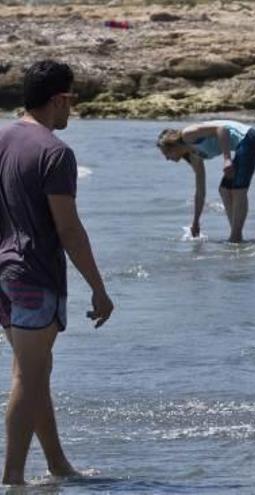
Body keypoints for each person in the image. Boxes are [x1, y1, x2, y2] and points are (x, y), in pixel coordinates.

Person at [0, 60, 114, 485]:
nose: (72, 110)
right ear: (58, 99)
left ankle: (57, 465)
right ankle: (12, 479)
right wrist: (99, 289)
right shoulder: (55, 152)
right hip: (34, 275)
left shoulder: (3, 137)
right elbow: (67, 228)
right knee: (27, 376)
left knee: (36, 371)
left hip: (4, 273)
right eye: (72, 100)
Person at [156, 120, 255, 243]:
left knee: (238, 189)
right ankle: (236, 235)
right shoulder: (194, 156)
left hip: (249, 139)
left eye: (167, 153)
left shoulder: (187, 134)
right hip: (243, 145)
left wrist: (227, 159)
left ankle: (235, 237)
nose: (167, 158)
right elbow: (200, 191)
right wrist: (196, 222)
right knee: (224, 190)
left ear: (173, 145)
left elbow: (221, 129)